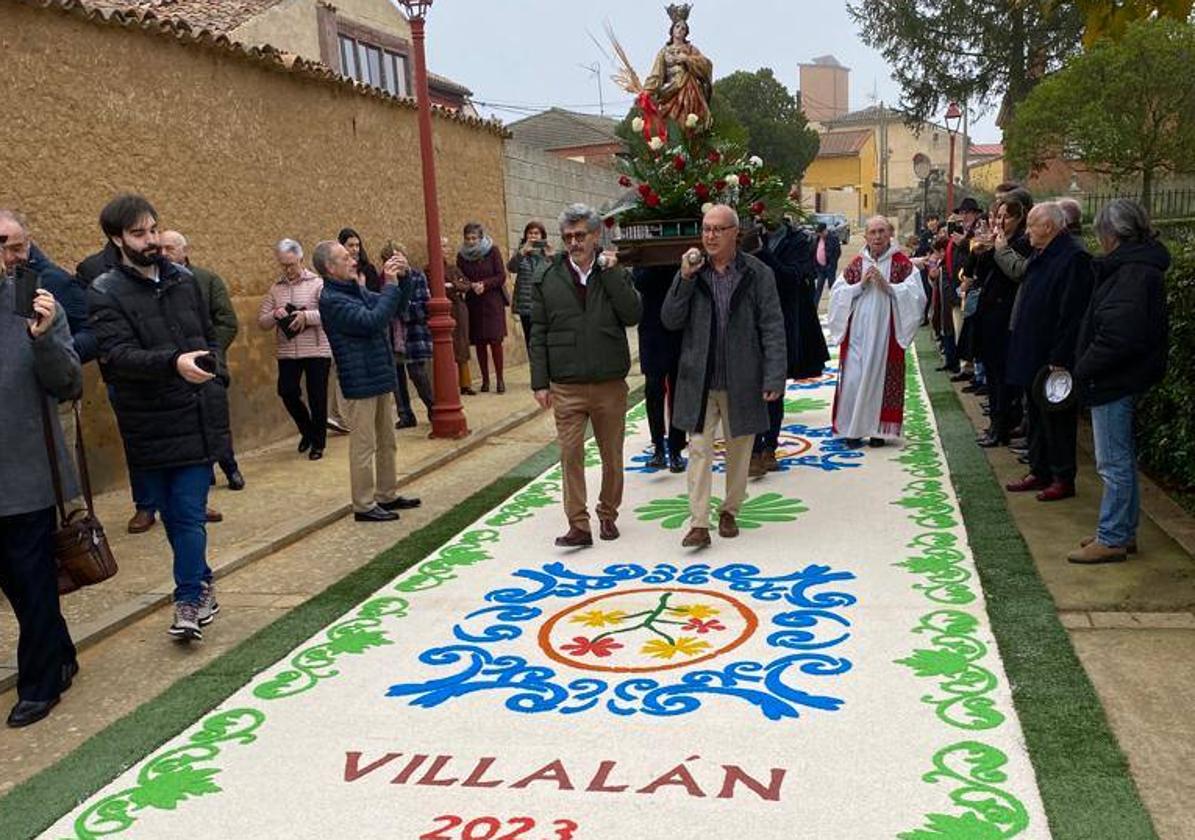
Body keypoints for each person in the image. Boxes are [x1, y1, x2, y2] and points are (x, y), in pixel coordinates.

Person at [88, 194, 231, 641]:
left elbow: (209, 333)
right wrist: (173, 363)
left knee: (188, 512)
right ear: (117, 238)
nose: (151, 241)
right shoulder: (105, 291)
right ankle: (203, 581)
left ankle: (188, 597)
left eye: (153, 230)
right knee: (170, 513)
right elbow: (117, 356)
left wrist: (215, 374)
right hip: (148, 421)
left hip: (194, 413)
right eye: (138, 233)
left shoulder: (185, 280)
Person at [661, 204, 786, 549]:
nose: (710, 236)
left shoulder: (758, 273)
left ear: (736, 234)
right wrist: (683, 277)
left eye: (718, 229)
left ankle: (730, 510)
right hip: (699, 378)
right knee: (699, 449)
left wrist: (774, 375)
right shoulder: (693, 271)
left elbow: (773, 326)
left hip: (742, 376)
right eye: (706, 229)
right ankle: (699, 523)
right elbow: (670, 319)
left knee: (739, 448)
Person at [1, 215, 81, 728]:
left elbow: (69, 382)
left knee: (31, 581)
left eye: (12, 244)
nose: (11, 254)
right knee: (16, 583)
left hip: (23, 471)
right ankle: (61, 650)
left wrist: (43, 337)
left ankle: (40, 682)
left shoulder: (34, 301)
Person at [530, 204, 642, 547]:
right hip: (566, 384)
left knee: (612, 453)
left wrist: (610, 273)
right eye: (568, 237)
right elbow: (538, 330)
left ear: (595, 236)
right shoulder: (547, 277)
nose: (574, 242)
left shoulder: (614, 272)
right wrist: (539, 382)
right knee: (570, 454)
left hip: (609, 381)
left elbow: (633, 313)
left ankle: (608, 514)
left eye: (580, 235)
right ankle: (578, 524)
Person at [1069, 200, 1170, 564]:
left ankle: (1112, 536)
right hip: (1120, 376)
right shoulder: (1135, 267)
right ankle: (1119, 531)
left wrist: (1083, 367)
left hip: (1114, 378)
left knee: (1113, 462)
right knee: (1119, 460)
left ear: (1111, 235)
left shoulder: (1132, 272)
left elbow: (1119, 335)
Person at [316, 239, 421, 522]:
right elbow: (373, 321)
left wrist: (404, 277)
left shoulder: (355, 291)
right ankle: (363, 505)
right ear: (329, 267)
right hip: (359, 381)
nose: (353, 260)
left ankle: (386, 494)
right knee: (364, 446)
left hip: (379, 374)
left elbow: (394, 308)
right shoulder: (332, 299)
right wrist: (389, 284)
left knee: (387, 441)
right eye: (345, 257)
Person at [1, 211, 97, 514]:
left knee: (62, 502)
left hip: (51, 407)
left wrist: (49, 345)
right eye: (3, 248)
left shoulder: (50, 281)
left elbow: (92, 334)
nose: (9, 258)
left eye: (17, 248)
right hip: (11, 420)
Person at [1004, 202, 1094, 502]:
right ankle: (1039, 469)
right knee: (1035, 413)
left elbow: (1072, 313)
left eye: (1031, 225)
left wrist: (1060, 356)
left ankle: (1061, 476)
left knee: (1056, 418)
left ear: (1049, 227)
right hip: (1031, 347)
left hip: (1053, 354)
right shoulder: (1041, 253)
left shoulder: (1073, 258)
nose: (1027, 231)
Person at [827, 216, 927, 447]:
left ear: (890, 234)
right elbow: (837, 294)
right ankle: (853, 430)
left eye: (882, 231)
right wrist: (860, 285)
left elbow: (917, 297)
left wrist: (889, 287)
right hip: (857, 334)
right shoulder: (857, 263)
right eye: (872, 232)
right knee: (853, 379)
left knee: (878, 379)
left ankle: (877, 431)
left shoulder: (902, 264)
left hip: (886, 334)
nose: (877, 236)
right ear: (866, 237)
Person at [160, 230, 245, 491]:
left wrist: (207, 354)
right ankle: (203, 472)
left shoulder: (206, 280)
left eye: (170, 248)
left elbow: (227, 322)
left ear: (184, 251)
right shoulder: (155, 283)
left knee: (216, 421)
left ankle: (230, 468)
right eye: (161, 248)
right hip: (174, 367)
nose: (164, 254)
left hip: (208, 366)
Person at [752, 215, 828, 475]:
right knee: (750, 387)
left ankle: (768, 447)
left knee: (774, 387)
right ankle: (752, 448)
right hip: (749, 323)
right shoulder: (748, 236)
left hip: (782, 322)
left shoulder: (798, 241)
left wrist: (762, 253)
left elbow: (791, 278)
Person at [258, 238, 331, 460]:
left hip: (317, 350)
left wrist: (305, 316)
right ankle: (307, 431)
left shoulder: (318, 284)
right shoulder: (275, 288)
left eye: (291, 264)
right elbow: (262, 321)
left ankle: (318, 443)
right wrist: (275, 314)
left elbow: (330, 314)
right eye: (283, 265)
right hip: (288, 351)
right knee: (287, 391)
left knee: (317, 396)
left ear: (301, 259)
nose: (288, 270)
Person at [974, 196, 1033, 447]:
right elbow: (982, 273)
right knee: (993, 373)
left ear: (1020, 218)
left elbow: (1015, 273)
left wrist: (999, 249)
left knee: (1002, 375)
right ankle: (996, 424)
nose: (1000, 222)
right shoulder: (1001, 241)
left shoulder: (1021, 243)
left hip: (1006, 316)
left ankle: (1002, 426)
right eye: (998, 216)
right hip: (990, 314)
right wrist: (983, 252)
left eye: (1006, 216)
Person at [633, 264, 687, 472]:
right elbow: (640, 282)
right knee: (653, 390)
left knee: (677, 391)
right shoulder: (646, 255)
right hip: (651, 331)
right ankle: (658, 446)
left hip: (678, 330)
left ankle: (675, 448)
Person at [381, 242, 434, 428]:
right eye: (391, 258)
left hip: (414, 333)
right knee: (396, 376)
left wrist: (403, 311)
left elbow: (424, 306)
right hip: (392, 335)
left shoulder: (418, 276)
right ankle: (405, 414)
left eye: (399, 256)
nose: (397, 262)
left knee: (418, 374)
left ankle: (433, 407)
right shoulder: (386, 280)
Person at [643, 5, 714, 129]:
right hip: (670, 92)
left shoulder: (691, 49)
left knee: (688, 121)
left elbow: (706, 64)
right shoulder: (663, 52)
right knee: (672, 124)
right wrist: (645, 92)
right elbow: (656, 75)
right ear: (672, 30)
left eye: (683, 28)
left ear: (686, 33)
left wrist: (687, 59)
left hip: (689, 90)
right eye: (678, 27)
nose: (680, 30)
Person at [457, 222, 508, 393]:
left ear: (481, 238)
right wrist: (471, 285)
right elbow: (461, 277)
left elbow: (501, 275)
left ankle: (500, 379)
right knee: (479, 342)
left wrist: (485, 284)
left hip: (493, 301)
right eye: (468, 238)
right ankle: (485, 380)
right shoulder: (462, 256)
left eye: (474, 238)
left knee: (495, 341)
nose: (471, 242)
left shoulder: (493, 251)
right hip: (474, 301)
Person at [508, 221, 553, 356]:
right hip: (525, 304)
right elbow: (511, 268)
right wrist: (522, 252)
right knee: (530, 340)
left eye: (536, 233)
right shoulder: (521, 251)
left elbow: (556, 272)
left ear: (542, 236)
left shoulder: (546, 252)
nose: (533, 236)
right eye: (530, 233)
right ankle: (535, 369)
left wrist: (551, 255)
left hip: (544, 303)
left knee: (546, 339)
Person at [439, 236, 475, 395]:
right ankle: (451, 384)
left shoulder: (454, 268)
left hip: (460, 310)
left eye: (446, 246)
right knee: (449, 346)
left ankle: (466, 384)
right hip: (447, 310)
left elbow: (467, 285)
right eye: (441, 246)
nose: (444, 250)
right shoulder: (429, 269)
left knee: (462, 345)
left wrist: (454, 285)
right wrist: (456, 288)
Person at [812, 221, 842, 309]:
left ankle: (834, 307)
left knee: (832, 287)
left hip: (830, 268)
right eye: (818, 233)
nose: (820, 235)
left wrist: (832, 263)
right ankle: (814, 307)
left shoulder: (833, 238)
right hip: (820, 268)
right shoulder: (817, 239)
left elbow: (837, 252)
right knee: (818, 288)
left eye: (821, 233)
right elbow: (814, 251)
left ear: (825, 231)